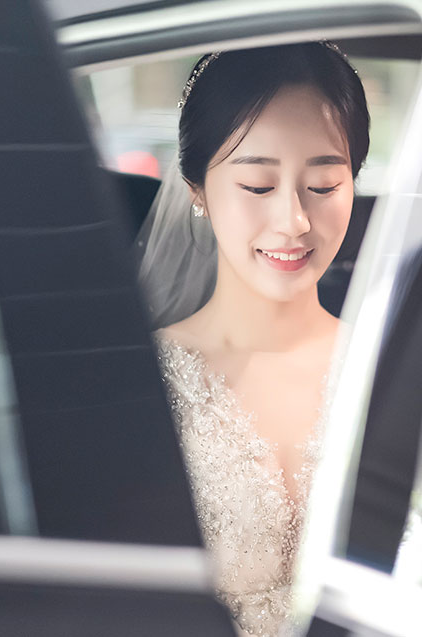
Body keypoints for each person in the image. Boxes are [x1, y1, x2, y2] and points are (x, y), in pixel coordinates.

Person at [137, 41, 370, 637]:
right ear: (196, 189)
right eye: (259, 186)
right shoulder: (141, 383)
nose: (294, 221)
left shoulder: (390, 363)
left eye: (324, 185)